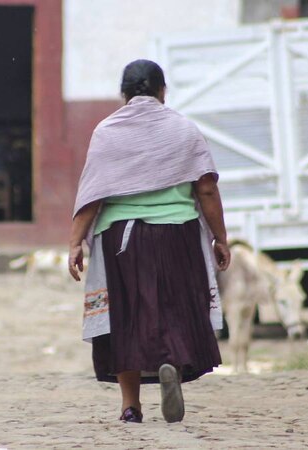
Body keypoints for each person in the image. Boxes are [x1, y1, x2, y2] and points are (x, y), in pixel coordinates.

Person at [68, 59, 231, 424]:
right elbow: (206, 188)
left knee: (125, 317)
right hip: (179, 234)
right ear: (162, 92)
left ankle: (131, 406)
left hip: (122, 239)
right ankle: (169, 365)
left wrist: (74, 243)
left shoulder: (107, 132)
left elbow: (92, 194)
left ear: (124, 95)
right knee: (172, 309)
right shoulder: (184, 130)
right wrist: (221, 239)